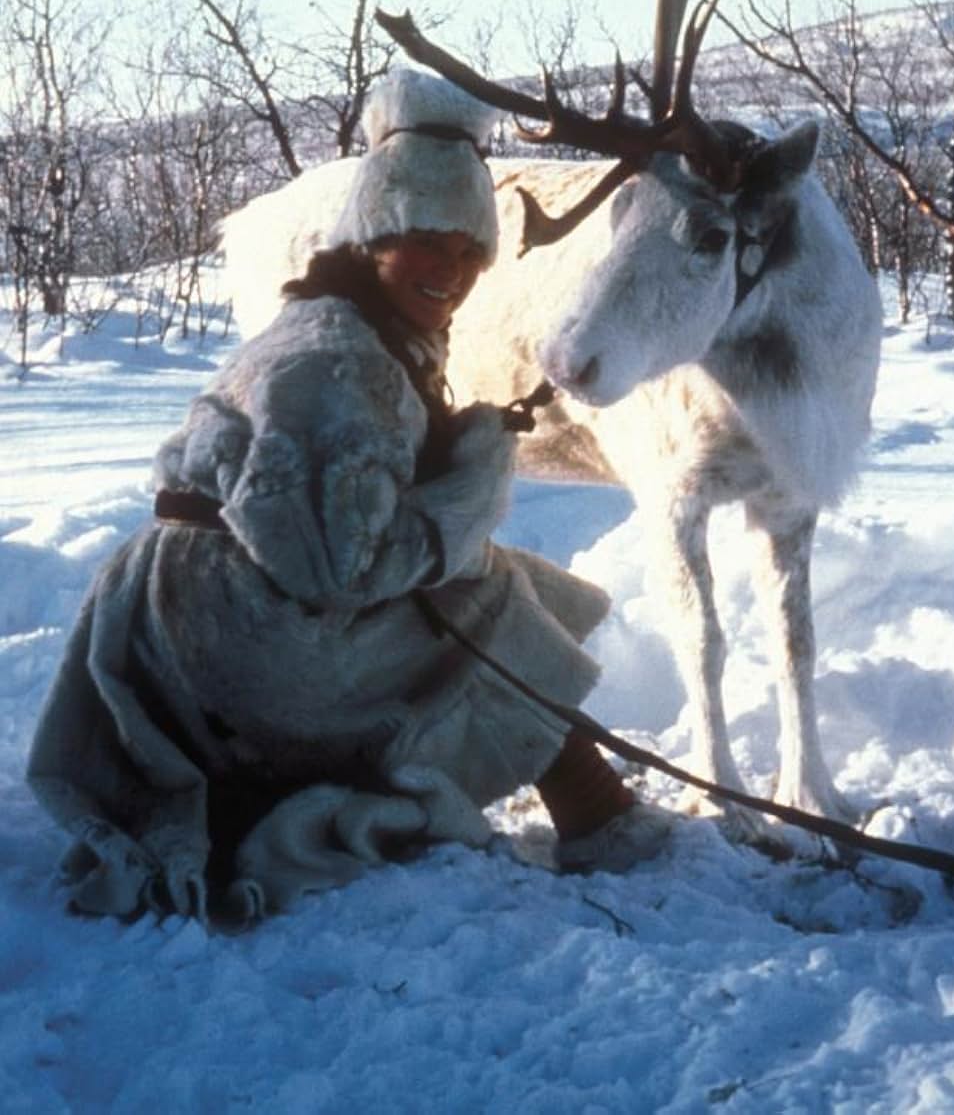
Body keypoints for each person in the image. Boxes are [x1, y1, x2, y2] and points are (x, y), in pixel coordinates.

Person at [28, 71, 671, 926]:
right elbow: (341, 568)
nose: (453, 269)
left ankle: (585, 796)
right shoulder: (340, 363)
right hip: (236, 640)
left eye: (470, 249)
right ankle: (597, 817)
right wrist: (476, 473)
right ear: (375, 234)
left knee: (492, 584)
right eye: (427, 241)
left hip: (198, 619)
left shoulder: (355, 330)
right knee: (491, 598)